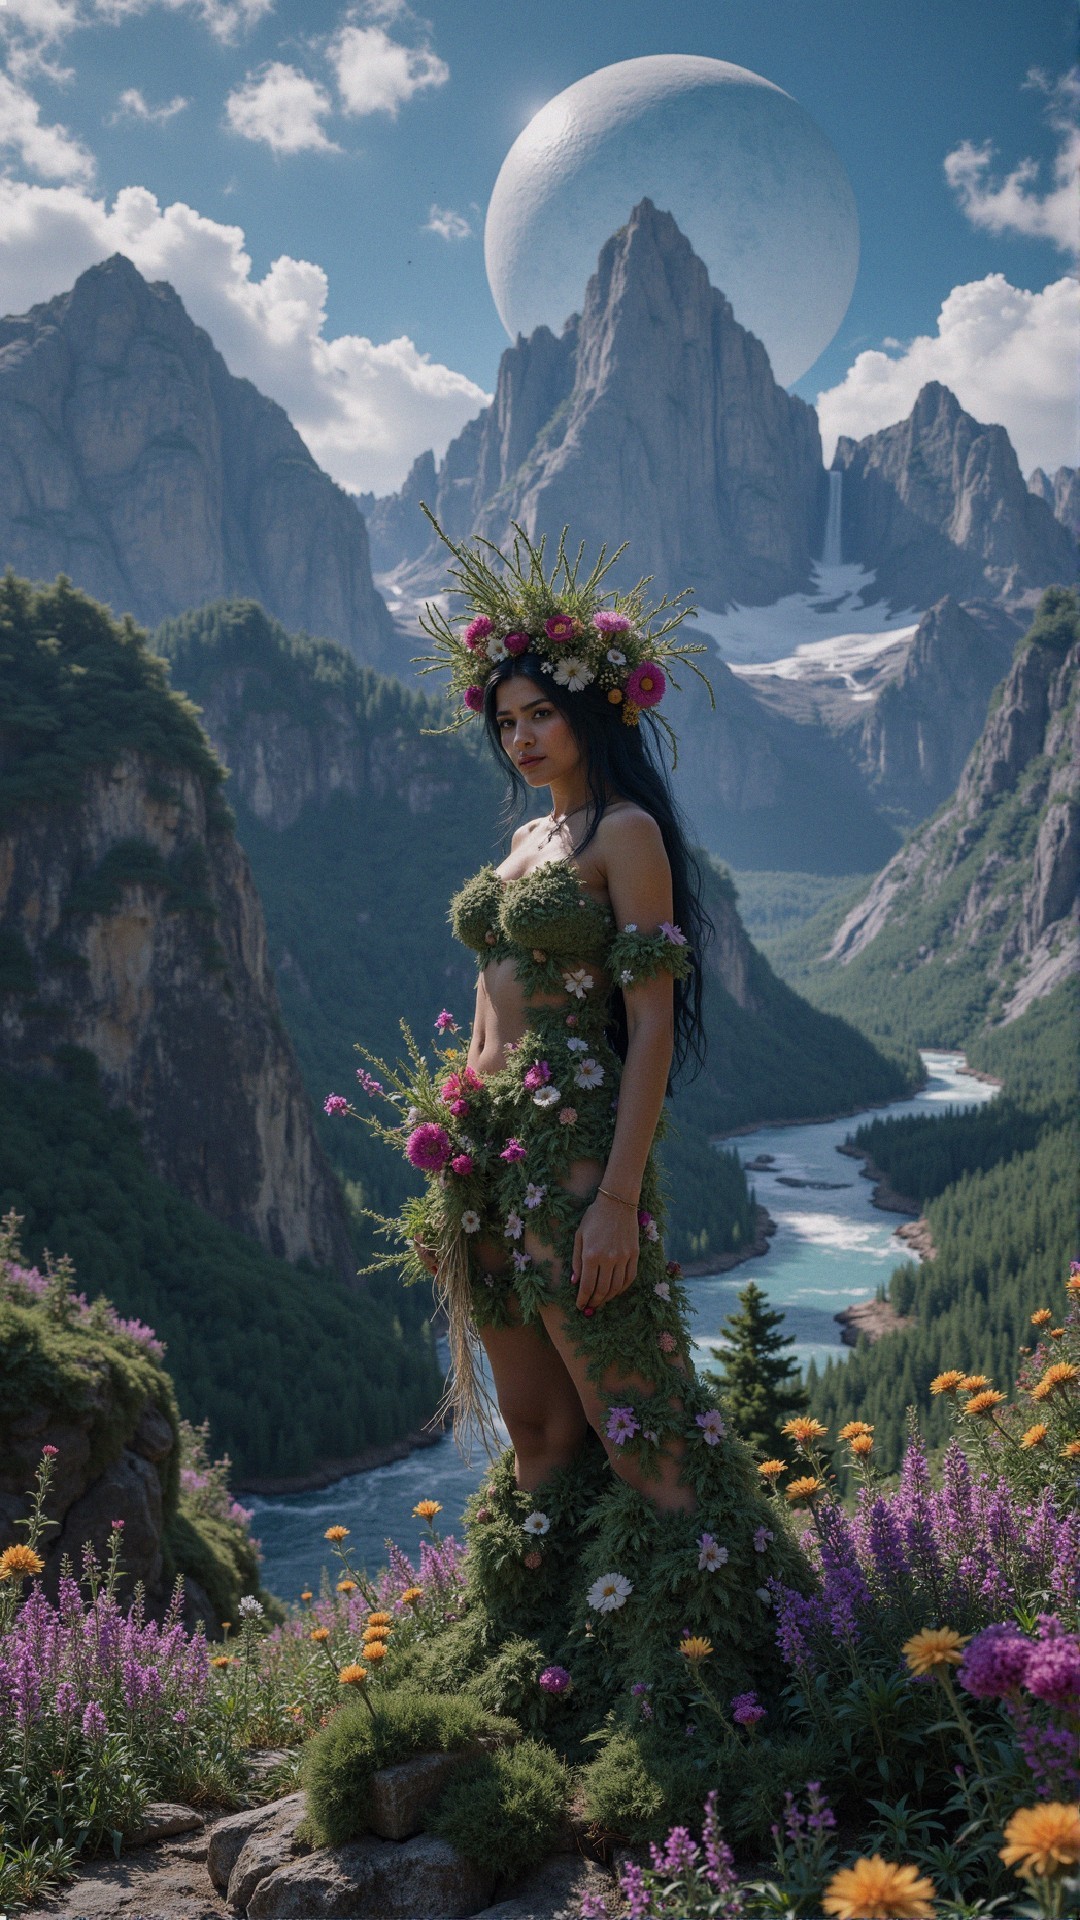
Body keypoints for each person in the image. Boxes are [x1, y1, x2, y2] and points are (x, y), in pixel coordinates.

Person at [353, 525, 806, 1730]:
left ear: (593, 710)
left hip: (571, 1155)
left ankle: (729, 1682)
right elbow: (487, 1003)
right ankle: (545, 1665)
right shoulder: (519, 846)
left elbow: (649, 1027)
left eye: (539, 712)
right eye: (504, 720)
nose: (521, 735)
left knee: (636, 1420)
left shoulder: (626, 838)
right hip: (485, 1159)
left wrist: (616, 1194)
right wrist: (453, 1116)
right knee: (541, 1429)